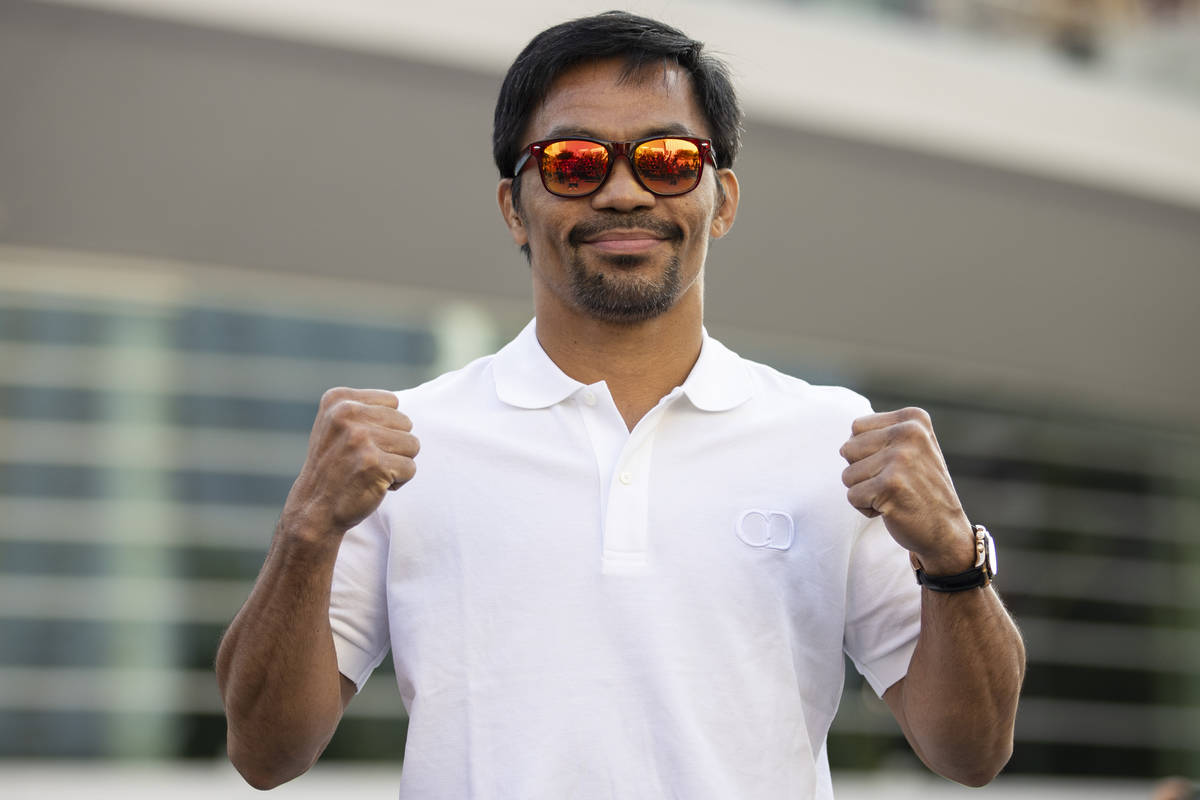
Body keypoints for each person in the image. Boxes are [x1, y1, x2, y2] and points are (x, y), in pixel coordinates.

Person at [215, 11, 1025, 798]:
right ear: (514, 208)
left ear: (724, 198)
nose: (624, 192)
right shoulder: (409, 443)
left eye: (667, 160)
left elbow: (970, 751)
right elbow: (266, 752)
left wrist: (954, 560)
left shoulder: (830, 438)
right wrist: (305, 531)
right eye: (574, 163)